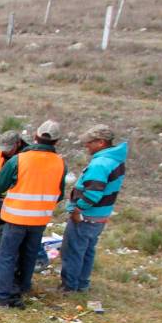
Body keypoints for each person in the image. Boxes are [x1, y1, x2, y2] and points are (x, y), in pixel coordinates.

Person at [0, 120, 66, 309]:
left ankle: (0, 297)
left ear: (35, 135)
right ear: (56, 141)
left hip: (17, 217)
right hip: (40, 218)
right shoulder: (60, 163)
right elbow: (60, 193)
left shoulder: (21, 159)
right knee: (30, 253)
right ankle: (24, 286)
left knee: (7, 255)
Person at [61, 124, 127, 293]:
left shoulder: (100, 164)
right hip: (101, 215)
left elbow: (92, 193)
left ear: (101, 142)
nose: (86, 145)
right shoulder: (116, 160)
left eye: (89, 142)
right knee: (88, 251)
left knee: (74, 250)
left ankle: (70, 286)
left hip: (86, 216)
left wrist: (77, 210)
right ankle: (82, 284)